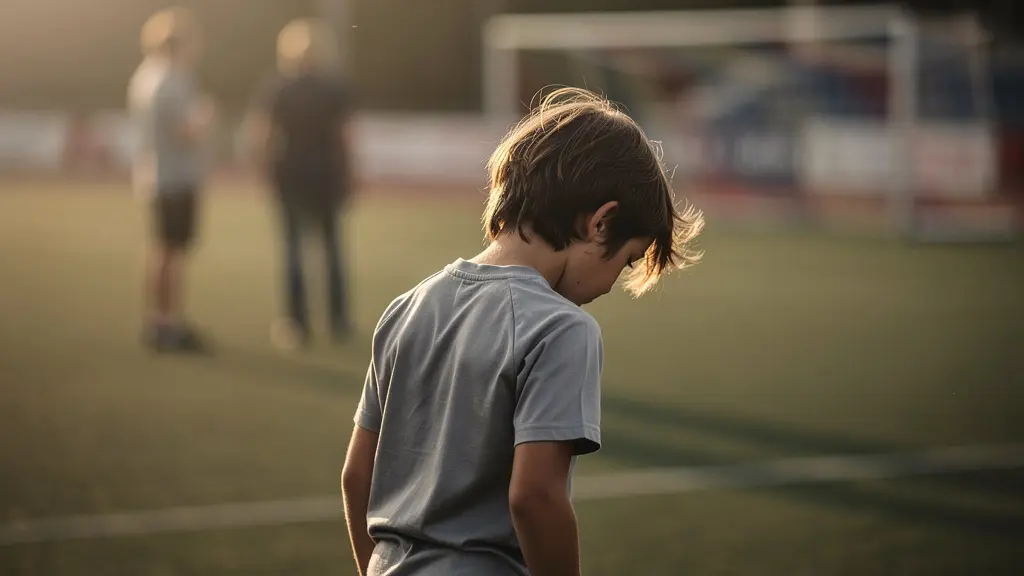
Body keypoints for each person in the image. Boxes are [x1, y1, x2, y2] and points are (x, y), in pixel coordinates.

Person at [341, 88, 704, 576]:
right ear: (602, 223)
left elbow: (357, 475)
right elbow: (534, 497)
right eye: (626, 262)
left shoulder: (407, 307)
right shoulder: (562, 329)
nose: (611, 285)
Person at [248, 18, 354, 350]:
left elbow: (264, 133)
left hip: (290, 174)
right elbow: (345, 136)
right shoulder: (332, 87)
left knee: (293, 250)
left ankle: (296, 323)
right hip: (326, 174)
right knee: (332, 249)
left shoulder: (278, 87)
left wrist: (263, 170)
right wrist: (351, 172)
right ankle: (338, 320)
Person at [128, 6, 214, 353]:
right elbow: (186, 130)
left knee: (160, 249)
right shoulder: (174, 79)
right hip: (175, 175)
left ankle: (157, 320)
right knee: (171, 252)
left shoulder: (145, 76)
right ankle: (168, 323)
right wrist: (206, 116)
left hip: (155, 173)